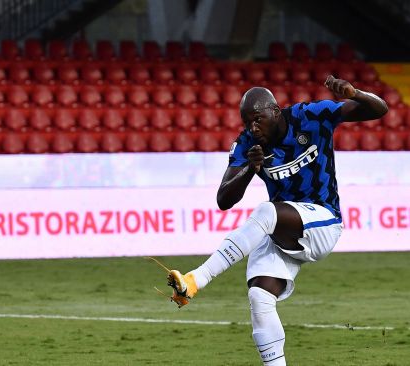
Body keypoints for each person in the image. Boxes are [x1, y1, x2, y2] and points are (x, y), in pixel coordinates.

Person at [164, 75, 388, 365]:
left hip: (323, 221)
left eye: (257, 119)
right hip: (282, 231)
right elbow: (223, 199)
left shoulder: (310, 117)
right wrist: (249, 169)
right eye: (247, 123)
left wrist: (354, 93)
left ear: (275, 110)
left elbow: (380, 109)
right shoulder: (247, 144)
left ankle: (196, 279)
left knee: (267, 210)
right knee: (259, 296)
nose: (252, 128)